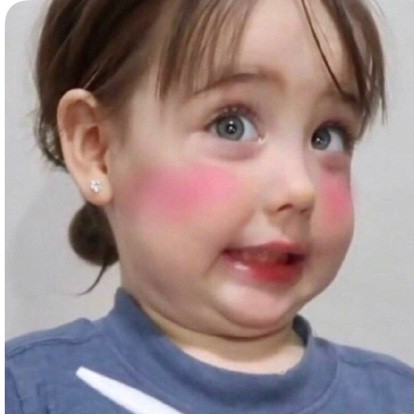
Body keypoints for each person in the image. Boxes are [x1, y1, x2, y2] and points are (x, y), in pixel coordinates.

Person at [6, 0, 414, 412]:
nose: (300, 188)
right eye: (231, 126)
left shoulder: (396, 398)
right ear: (97, 149)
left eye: (328, 135)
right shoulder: (26, 392)